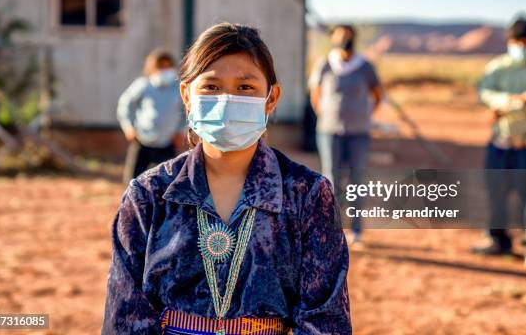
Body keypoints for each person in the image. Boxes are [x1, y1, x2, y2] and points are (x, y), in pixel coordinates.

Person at [102, 23, 351, 334]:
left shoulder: (307, 194)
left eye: (245, 88)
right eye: (211, 87)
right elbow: (125, 318)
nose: (226, 100)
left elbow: (324, 321)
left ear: (271, 98)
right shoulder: (148, 195)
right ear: (187, 94)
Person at [472, 17, 526, 271]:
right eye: (518, 41)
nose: (522, 46)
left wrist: (500, 105)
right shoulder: (497, 67)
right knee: (495, 193)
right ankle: (497, 239)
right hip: (499, 144)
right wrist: (514, 101)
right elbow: (484, 93)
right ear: (510, 42)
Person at [308, 24, 383, 249]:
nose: (344, 40)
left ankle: (357, 230)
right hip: (330, 131)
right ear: (333, 39)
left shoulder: (365, 67)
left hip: (359, 132)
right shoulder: (325, 65)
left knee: (356, 180)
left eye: (348, 37)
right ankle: (331, 229)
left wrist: (365, 115)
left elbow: (378, 95)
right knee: (331, 179)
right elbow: (316, 94)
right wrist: (325, 115)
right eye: (340, 37)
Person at [117, 49, 186, 184]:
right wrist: (128, 127)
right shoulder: (143, 85)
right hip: (143, 141)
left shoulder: (178, 88)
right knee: (133, 182)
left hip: (167, 143)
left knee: (167, 183)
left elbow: (187, 111)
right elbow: (125, 105)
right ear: (152, 68)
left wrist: (180, 131)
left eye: (168, 66)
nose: (165, 70)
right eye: (161, 67)